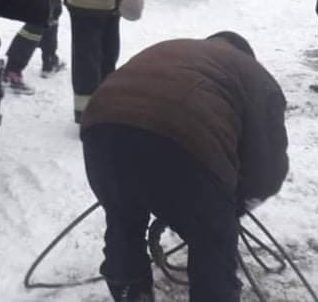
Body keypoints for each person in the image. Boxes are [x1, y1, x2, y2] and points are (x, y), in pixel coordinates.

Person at [81, 32, 289, 302]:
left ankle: (129, 286)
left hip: (101, 126)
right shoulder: (255, 76)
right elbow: (267, 173)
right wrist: (228, 210)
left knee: (124, 215)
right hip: (183, 134)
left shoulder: (173, 49)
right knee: (212, 243)